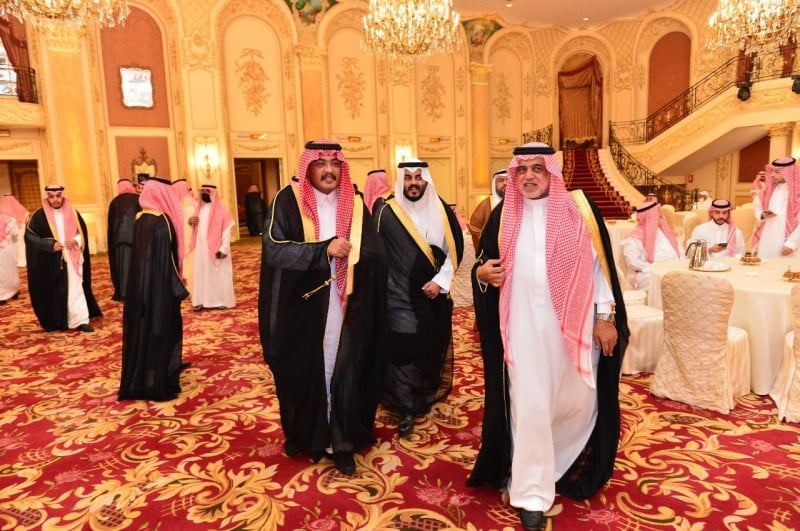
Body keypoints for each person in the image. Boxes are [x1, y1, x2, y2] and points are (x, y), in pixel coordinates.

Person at [466, 143, 628, 530]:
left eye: (537, 168)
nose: (529, 177)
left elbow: (601, 270)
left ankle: (558, 463)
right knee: (531, 406)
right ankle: (532, 493)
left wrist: (605, 317)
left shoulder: (579, 211)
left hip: (572, 329)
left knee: (576, 402)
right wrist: (481, 274)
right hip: (521, 330)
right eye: (522, 170)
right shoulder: (503, 215)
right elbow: (482, 265)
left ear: (551, 173)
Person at [258, 140, 387, 474]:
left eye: (335, 163)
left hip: (347, 305)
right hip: (302, 308)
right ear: (308, 167)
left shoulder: (355, 203)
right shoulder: (287, 200)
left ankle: (340, 440)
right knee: (306, 370)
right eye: (321, 163)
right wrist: (323, 250)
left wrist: (360, 260)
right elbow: (274, 250)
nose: (329, 170)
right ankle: (310, 435)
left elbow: (376, 252)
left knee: (344, 369)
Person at [374, 159, 464, 438]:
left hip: (431, 294)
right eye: (408, 178)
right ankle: (405, 406)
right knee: (402, 344)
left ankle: (422, 391)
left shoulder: (441, 209)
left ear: (426, 180)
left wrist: (440, 282)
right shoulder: (386, 211)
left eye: (418, 177)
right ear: (400, 180)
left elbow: (454, 250)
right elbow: (374, 253)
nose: (413, 183)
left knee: (428, 342)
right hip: (396, 294)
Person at [118, 177, 190, 401]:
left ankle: (144, 379)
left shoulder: (141, 218)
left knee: (146, 332)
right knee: (161, 332)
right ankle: (157, 384)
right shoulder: (161, 221)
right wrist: (179, 287)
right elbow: (166, 262)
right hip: (160, 290)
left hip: (143, 287)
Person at [25, 185, 102, 332]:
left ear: (63, 196)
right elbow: (30, 237)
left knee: (75, 288)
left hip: (72, 257)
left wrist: (76, 241)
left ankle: (80, 320)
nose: (55, 199)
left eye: (58, 196)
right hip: (50, 262)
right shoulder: (38, 216)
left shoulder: (74, 214)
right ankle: (58, 321)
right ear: (47, 198)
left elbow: (82, 234)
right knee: (55, 290)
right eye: (51, 197)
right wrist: (50, 245)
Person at [187, 184, 236, 310]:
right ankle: (201, 300)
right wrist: (190, 222)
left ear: (213, 193)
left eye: (207, 191)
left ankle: (221, 301)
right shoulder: (199, 209)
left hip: (217, 248)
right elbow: (196, 227)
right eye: (202, 191)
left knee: (218, 274)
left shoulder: (222, 210)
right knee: (202, 273)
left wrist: (224, 248)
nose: (204, 193)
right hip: (201, 249)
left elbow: (226, 231)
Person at [620, 201, 681, 290]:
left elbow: (679, 251)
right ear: (649, 216)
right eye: (658, 212)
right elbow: (632, 261)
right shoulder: (636, 236)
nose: (662, 214)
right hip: (648, 273)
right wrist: (655, 268)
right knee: (666, 280)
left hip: (671, 269)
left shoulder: (665, 231)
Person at [752, 157, 800, 257]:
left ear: (789, 172)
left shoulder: (797, 193)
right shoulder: (767, 191)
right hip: (767, 239)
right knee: (765, 264)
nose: (772, 174)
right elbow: (757, 208)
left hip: (789, 243)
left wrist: (791, 244)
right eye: (772, 171)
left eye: (777, 171)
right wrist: (762, 215)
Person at [107, 178, 141, 301]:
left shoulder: (114, 202)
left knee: (121, 265)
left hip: (117, 241)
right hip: (134, 239)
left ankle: (123, 292)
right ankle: (134, 292)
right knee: (134, 265)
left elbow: (111, 225)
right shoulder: (138, 199)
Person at [468, 169, 507, 251]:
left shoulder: (520, 203)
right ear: (495, 184)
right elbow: (474, 226)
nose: (505, 183)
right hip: (493, 251)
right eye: (501, 180)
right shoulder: (486, 204)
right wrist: (487, 239)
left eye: (508, 180)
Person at [172, 178, 196, 288]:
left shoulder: (189, 207)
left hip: (188, 244)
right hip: (181, 244)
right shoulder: (178, 207)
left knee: (189, 266)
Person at [1, 193, 28, 267]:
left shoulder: (2, 209)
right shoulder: (20, 208)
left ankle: (17, 260)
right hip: (20, 230)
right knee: (21, 245)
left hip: (11, 232)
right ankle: (23, 260)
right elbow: (26, 217)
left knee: (13, 245)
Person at [0, 208, 19, 304]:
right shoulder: (9, 220)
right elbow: (15, 235)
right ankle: (14, 291)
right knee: (11, 271)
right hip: (8, 249)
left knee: (2, 273)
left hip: (4, 250)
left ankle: (2, 296)